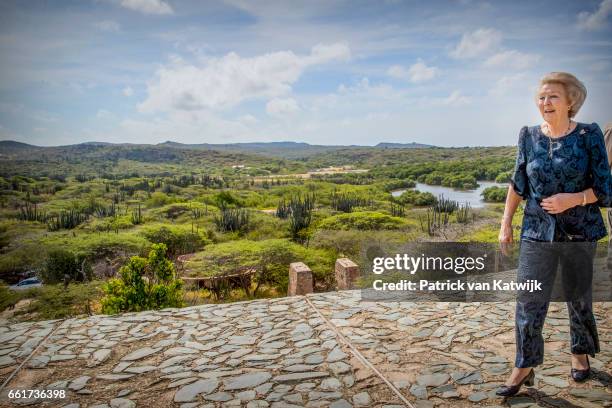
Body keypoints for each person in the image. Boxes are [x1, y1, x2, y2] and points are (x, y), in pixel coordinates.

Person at [497, 72, 612, 397]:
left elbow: (606, 189)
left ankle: (579, 353)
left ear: (571, 101)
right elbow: (518, 182)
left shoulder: (589, 135)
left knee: (578, 299)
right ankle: (524, 364)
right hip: (535, 231)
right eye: (542, 96)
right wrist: (506, 221)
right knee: (529, 301)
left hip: (579, 232)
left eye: (553, 97)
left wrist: (573, 199)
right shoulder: (528, 135)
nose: (545, 102)